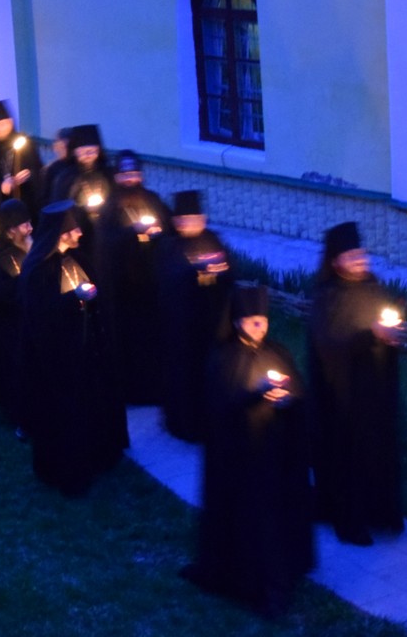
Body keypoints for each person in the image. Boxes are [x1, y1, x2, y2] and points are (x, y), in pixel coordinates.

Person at [183, 284, 314, 618]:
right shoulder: (224, 359)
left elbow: (299, 392)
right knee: (253, 520)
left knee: (278, 514)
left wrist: (288, 400)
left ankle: (286, 567)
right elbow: (220, 408)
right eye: (252, 321)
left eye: (264, 320)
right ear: (237, 322)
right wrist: (256, 393)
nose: (260, 326)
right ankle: (258, 584)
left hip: (277, 452)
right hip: (242, 457)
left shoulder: (278, 352)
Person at [19, 200, 128, 497]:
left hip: (87, 346)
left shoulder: (76, 258)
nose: (80, 233)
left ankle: (99, 455)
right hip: (59, 357)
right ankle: (68, 469)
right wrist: (74, 298)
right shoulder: (38, 270)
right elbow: (41, 315)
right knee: (67, 414)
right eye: (74, 229)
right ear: (61, 234)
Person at [308, 220, 405, 546]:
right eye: (352, 257)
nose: (361, 261)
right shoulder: (328, 297)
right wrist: (370, 335)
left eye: (362, 254)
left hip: (374, 389)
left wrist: (389, 337)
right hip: (343, 393)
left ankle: (380, 512)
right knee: (347, 454)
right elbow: (330, 345)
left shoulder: (373, 287)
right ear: (336, 261)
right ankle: (349, 519)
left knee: (377, 449)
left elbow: (382, 323)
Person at [156, 190, 233, 442]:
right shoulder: (169, 247)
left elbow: (229, 274)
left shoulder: (213, 240)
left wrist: (218, 273)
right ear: (176, 222)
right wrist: (194, 274)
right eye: (185, 220)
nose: (191, 224)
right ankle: (186, 425)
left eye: (196, 219)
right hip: (183, 327)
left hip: (214, 323)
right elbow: (168, 282)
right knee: (186, 376)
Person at [96, 149, 172, 404]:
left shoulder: (153, 200)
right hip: (124, 289)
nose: (131, 179)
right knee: (128, 341)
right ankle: (131, 391)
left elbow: (170, 230)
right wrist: (132, 233)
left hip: (151, 285)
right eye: (125, 175)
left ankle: (155, 389)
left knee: (152, 340)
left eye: (135, 174)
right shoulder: (110, 207)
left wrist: (158, 233)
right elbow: (106, 244)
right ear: (117, 177)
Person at [0, 199, 33, 428]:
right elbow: (1, 294)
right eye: (25, 225)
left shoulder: (30, 245)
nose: (30, 229)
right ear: (10, 231)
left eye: (30, 223)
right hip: (8, 324)